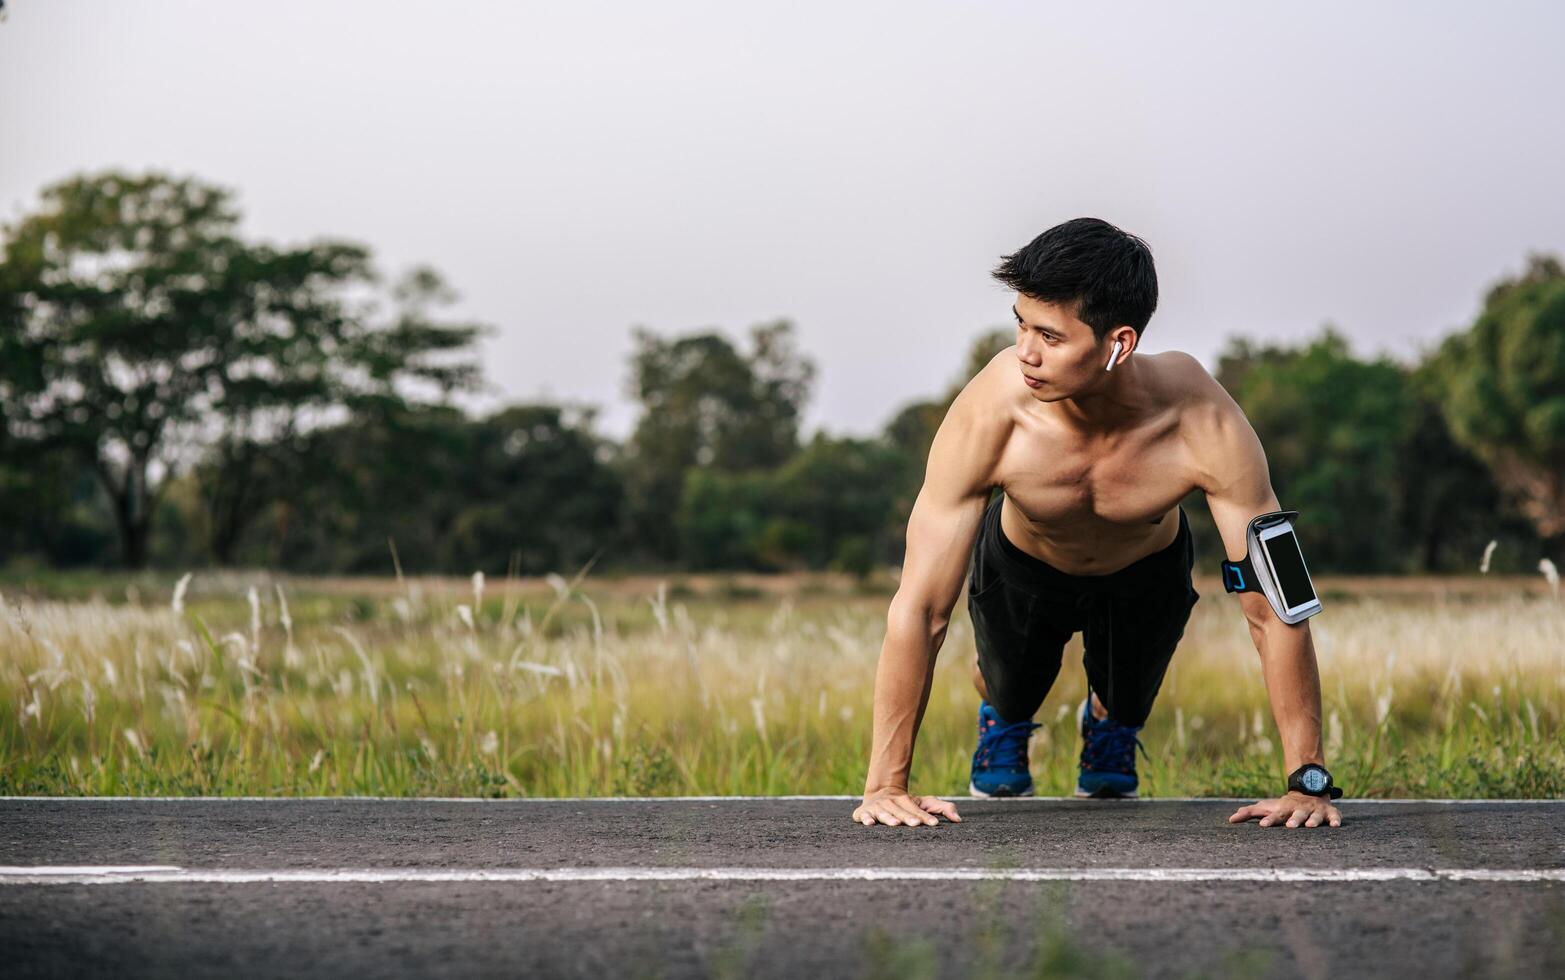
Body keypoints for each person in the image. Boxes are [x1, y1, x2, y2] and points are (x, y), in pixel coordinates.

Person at [851, 218, 1342, 831]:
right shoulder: (990, 415)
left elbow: (1277, 602)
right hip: (1023, 565)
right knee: (1010, 687)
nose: (1025, 352)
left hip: (1146, 574)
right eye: (1021, 324)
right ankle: (1002, 719)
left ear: (1119, 343)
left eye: (1051, 337)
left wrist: (1308, 781)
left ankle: (1109, 719)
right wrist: (885, 785)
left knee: (1127, 701)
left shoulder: (1202, 420)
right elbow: (918, 608)